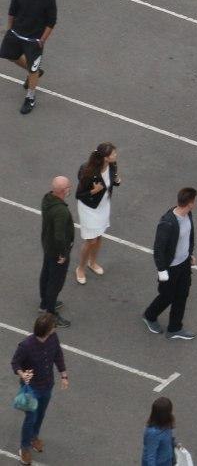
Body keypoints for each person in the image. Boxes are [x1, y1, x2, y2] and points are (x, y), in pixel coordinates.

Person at [10, 312, 69, 465]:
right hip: (32, 389)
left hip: (47, 385)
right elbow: (15, 363)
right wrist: (22, 374)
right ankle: (24, 448)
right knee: (31, 418)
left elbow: (58, 355)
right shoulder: (26, 346)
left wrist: (64, 375)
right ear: (46, 330)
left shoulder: (53, 338)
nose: (55, 328)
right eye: (53, 326)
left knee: (40, 414)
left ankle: (33, 436)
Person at [143, 187, 197, 340]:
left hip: (184, 264)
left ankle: (174, 328)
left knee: (182, 295)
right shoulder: (168, 223)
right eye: (194, 201)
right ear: (190, 203)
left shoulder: (188, 215)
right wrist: (162, 270)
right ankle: (149, 315)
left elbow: (188, 237)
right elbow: (159, 248)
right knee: (167, 296)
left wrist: (189, 254)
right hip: (170, 268)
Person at [5, 0, 57, 113]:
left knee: (33, 68)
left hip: (34, 40)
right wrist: (10, 29)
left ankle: (30, 97)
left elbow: (51, 22)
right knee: (10, 55)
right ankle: (34, 72)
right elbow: (12, 11)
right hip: (16, 33)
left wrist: (42, 40)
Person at [74, 142, 120, 284]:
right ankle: (80, 268)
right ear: (106, 157)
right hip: (89, 207)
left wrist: (117, 181)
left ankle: (92, 262)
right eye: (113, 154)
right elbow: (79, 194)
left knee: (99, 236)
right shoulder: (88, 171)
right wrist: (94, 191)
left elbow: (113, 179)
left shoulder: (112, 165)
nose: (116, 155)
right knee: (90, 240)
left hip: (103, 204)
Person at [38, 176, 74, 326]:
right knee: (55, 282)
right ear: (63, 191)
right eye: (68, 187)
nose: (70, 189)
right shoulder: (61, 211)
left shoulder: (47, 199)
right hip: (56, 251)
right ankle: (50, 313)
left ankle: (44, 303)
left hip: (47, 245)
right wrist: (63, 253)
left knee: (46, 273)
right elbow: (59, 236)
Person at [141, 396, 178, 466]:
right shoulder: (153, 433)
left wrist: (175, 444)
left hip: (167, 460)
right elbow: (151, 456)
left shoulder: (167, 425)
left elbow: (169, 438)